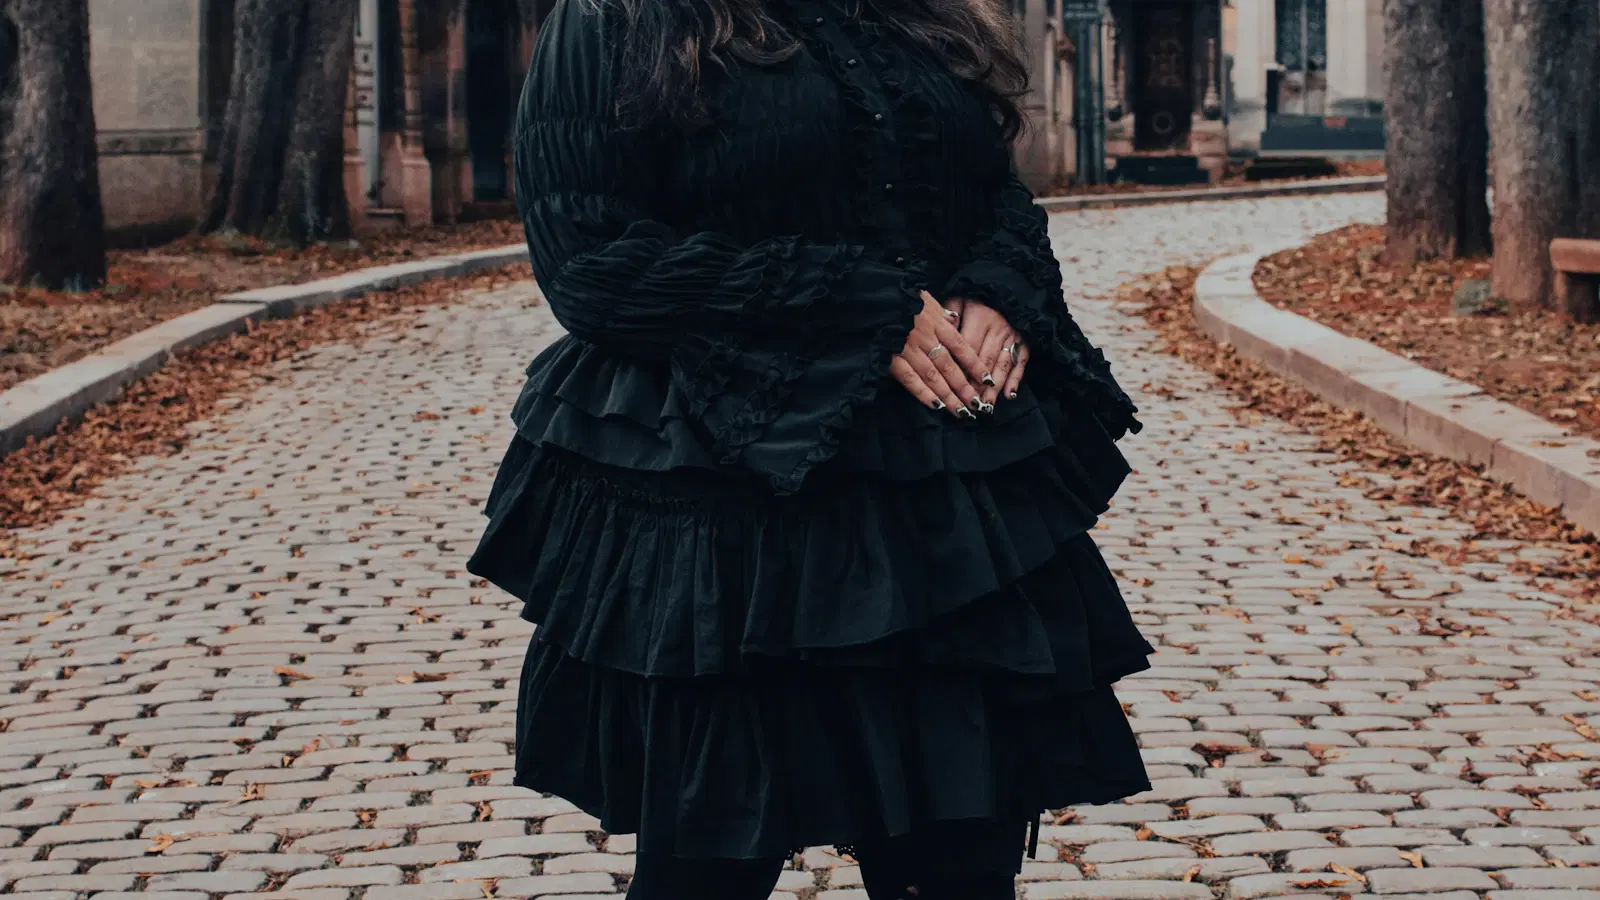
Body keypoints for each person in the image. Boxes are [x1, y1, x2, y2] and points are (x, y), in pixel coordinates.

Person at [467, 1, 1154, 896]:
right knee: (708, 866)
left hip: (936, 514)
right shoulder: (616, 17)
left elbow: (992, 193)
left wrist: (999, 289)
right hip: (731, 502)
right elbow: (590, 264)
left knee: (956, 865)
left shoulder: (910, 13)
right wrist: (861, 303)